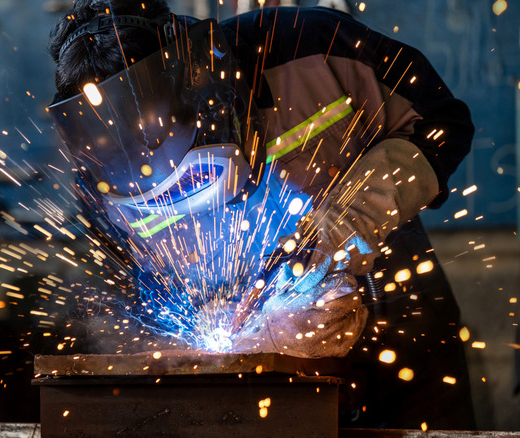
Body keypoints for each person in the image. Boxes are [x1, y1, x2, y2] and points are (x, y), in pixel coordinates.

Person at [48, 0, 475, 430]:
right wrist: (226, 322)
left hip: (397, 310)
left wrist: (339, 232)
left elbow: (442, 124)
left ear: (195, 76)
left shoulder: (309, 45)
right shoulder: (95, 177)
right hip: (262, 371)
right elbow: (147, 293)